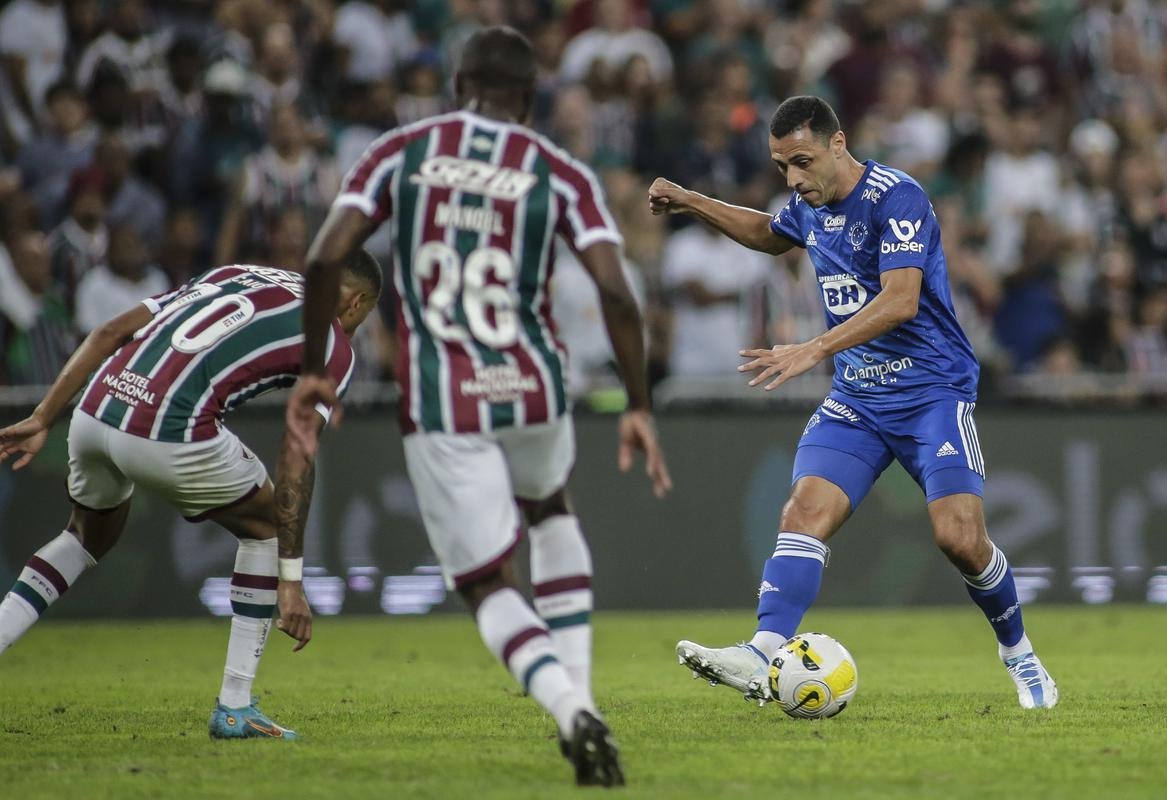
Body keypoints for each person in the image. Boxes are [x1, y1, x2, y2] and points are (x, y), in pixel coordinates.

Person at [286, 25, 671, 787]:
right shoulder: (558, 169)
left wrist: (311, 370)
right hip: (534, 383)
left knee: (485, 584)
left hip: (443, 399)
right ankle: (583, 695)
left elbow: (325, 255)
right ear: (528, 97)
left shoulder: (401, 152)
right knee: (550, 511)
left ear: (458, 85)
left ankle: (568, 707)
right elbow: (616, 291)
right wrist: (637, 401)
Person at [648, 95, 1058, 710]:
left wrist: (814, 348)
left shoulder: (897, 198)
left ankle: (1019, 652)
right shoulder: (808, 206)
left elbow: (901, 300)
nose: (792, 179)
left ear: (838, 144)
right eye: (782, 166)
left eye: (802, 162)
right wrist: (690, 200)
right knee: (802, 512)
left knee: (959, 539)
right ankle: (761, 651)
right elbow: (768, 233)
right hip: (859, 400)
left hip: (931, 393)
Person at [0, 255, 381, 738]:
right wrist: (290, 579)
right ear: (356, 302)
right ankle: (235, 708)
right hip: (167, 429)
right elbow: (297, 452)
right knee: (268, 527)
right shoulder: (334, 344)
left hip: (96, 407)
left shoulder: (237, 272)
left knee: (83, 537)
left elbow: (109, 332)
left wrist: (43, 415)